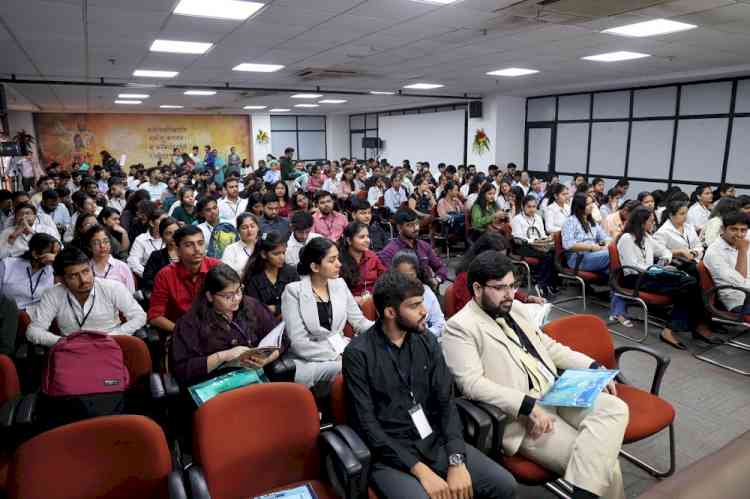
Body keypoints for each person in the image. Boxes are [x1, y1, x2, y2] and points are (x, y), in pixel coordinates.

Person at [443, 252, 627, 499]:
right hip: (522, 416)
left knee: (615, 409)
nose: (509, 294)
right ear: (477, 288)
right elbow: (471, 384)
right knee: (606, 467)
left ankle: (584, 493)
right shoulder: (459, 327)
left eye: (512, 286)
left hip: (557, 392)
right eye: (500, 288)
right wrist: (527, 406)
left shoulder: (516, 309)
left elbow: (549, 347)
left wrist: (592, 365)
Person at [343, 270, 517, 499]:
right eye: (414, 306)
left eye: (422, 302)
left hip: (435, 442)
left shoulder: (426, 340)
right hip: (390, 455)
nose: (424, 311)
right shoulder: (358, 354)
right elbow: (368, 427)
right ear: (390, 312)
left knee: (504, 484)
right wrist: (420, 470)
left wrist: (456, 460)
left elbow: (446, 403)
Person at [170, 264, 287, 387]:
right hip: (213, 385)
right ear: (210, 296)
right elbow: (182, 370)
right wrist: (222, 356)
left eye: (238, 291)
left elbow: (282, 339)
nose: (236, 299)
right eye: (228, 296)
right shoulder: (190, 323)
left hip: (252, 377)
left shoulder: (251, 305)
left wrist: (265, 360)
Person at [618, 207, 719, 349]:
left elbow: (664, 251)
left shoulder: (646, 237)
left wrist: (663, 262)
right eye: (651, 222)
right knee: (689, 284)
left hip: (649, 275)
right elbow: (631, 265)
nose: (653, 224)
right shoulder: (627, 238)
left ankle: (676, 328)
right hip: (634, 279)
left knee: (689, 283)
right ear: (641, 223)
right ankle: (692, 326)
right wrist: (658, 269)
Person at [281, 237, 373, 388]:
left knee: (372, 360)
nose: (339, 264)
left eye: (338, 258)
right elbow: (299, 343)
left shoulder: (340, 284)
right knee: (354, 367)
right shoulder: (293, 291)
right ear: (315, 267)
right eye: (332, 260)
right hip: (309, 359)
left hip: (341, 350)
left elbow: (359, 322)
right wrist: (335, 356)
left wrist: (385, 330)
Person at [26, 247, 146, 347]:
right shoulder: (53, 294)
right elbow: (33, 331)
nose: (84, 280)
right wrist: (63, 342)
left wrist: (112, 336)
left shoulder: (113, 287)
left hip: (108, 346)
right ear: (61, 279)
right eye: (74, 276)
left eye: (86, 271)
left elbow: (140, 316)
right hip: (71, 350)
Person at [561, 193, 629, 327]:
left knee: (614, 269)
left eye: (592, 202)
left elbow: (606, 238)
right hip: (578, 258)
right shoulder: (571, 221)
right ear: (580, 205)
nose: (592, 205)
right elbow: (568, 245)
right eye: (588, 203)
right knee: (614, 258)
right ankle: (619, 308)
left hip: (593, 256)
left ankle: (618, 310)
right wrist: (592, 247)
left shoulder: (591, 222)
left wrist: (604, 244)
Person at [148, 225, 221, 333]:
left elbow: (231, 303)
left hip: (215, 330)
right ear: (177, 250)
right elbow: (155, 316)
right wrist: (182, 332)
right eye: (188, 245)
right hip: (180, 332)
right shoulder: (165, 275)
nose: (197, 249)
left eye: (200, 243)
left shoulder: (217, 267)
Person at [378, 208, 449, 288]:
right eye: (410, 225)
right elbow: (389, 280)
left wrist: (437, 279)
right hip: (403, 294)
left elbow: (441, 266)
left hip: (428, 289)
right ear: (399, 228)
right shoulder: (389, 251)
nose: (416, 228)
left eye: (416, 224)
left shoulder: (424, 246)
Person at [242, 231, 299, 316]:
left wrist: (276, 309)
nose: (282, 257)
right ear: (264, 254)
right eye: (276, 254)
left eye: (283, 252)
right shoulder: (253, 278)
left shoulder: (291, 272)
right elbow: (254, 309)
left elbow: (299, 300)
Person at [390, 251, 445, 338]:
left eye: (410, 275)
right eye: (401, 276)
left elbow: (439, 323)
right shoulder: (389, 294)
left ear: (417, 274)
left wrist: (423, 337)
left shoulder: (426, 292)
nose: (406, 280)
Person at [704, 211, 750, 315]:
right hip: (738, 300)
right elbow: (740, 282)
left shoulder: (744, 243)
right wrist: (742, 251)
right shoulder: (714, 252)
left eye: (743, 230)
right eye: (734, 229)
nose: (739, 234)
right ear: (723, 229)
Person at [511, 195, 558, 297]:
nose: (532, 209)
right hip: (523, 246)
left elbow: (542, 234)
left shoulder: (538, 218)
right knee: (547, 256)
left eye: (534, 206)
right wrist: (533, 241)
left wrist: (546, 239)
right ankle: (542, 283)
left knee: (555, 253)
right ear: (523, 207)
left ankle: (550, 283)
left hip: (538, 245)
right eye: (529, 206)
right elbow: (517, 238)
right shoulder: (517, 219)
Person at [0, 233, 59, 310]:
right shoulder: (7, 265)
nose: (53, 257)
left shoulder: (53, 269)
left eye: (56, 254)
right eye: (51, 252)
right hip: (9, 312)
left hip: (39, 314)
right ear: (35, 254)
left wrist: (58, 262)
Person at [338, 221, 386, 304]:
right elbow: (337, 290)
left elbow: (385, 277)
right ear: (349, 240)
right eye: (362, 237)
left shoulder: (372, 256)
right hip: (350, 303)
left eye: (368, 236)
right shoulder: (339, 260)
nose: (367, 240)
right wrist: (354, 299)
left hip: (374, 299)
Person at [81, 224, 135, 294]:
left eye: (106, 241)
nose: (102, 246)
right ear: (89, 247)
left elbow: (130, 296)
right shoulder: (85, 268)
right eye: (96, 243)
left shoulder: (122, 267)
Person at [654, 201, 704, 268]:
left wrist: (694, 253)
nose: (685, 216)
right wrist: (679, 252)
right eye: (682, 214)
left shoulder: (689, 227)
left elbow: (698, 245)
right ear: (671, 215)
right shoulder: (663, 232)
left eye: (686, 213)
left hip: (695, 260)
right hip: (677, 265)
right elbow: (659, 252)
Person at [142, 217, 180, 294]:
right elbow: (147, 280)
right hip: (164, 294)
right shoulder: (156, 256)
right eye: (168, 233)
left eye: (176, 232)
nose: (173, 236)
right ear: (162, 236)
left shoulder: (188, 253)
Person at [127, 209, 166, 278]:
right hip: (148, 277)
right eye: (163, 221)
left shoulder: (171, 238)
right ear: (152, 223)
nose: (166, 223)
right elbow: (133, 261)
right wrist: (148, 274)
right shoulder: (141, 239)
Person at [221, 212, 260, 277]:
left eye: (252, 226)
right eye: (244, 228)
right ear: (238, 230)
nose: (249, 230)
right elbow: (226, 274)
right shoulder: (231, 249)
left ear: (258, 228)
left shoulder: (264, 246)